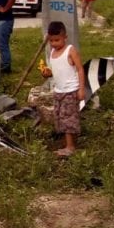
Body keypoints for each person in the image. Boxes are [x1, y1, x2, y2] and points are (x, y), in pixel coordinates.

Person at [39, 21, 86, 158]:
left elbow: (80, 69)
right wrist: (47, 73)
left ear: (65, 37)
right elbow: (55, 71)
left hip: (70, 91)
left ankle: (70, 147)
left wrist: (81, 89)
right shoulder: (53, 52)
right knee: (60, 116)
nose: (54, 43)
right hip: (58, 91)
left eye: (57, 40)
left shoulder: (70, 50)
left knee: (68, 118)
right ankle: (67, 141)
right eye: (51, 41)